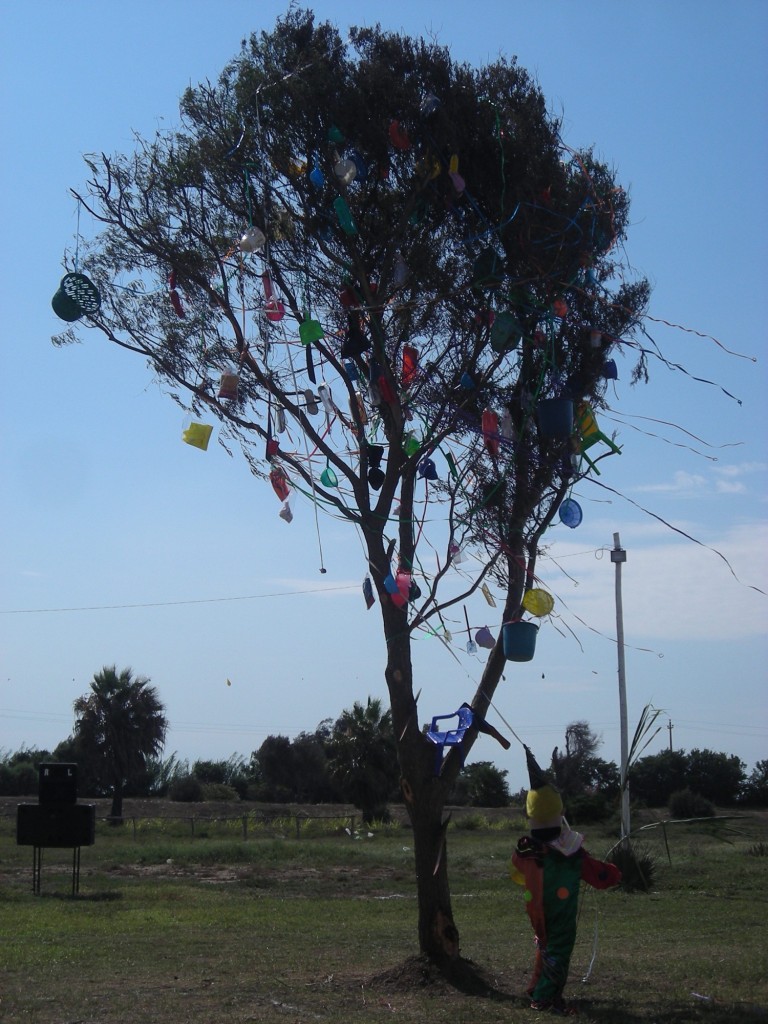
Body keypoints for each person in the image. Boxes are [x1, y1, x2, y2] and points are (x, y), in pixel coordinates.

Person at [511, 746, 621, 1016]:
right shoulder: (571, 853)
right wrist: (615, 873)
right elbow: (597, 873)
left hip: (535, 907)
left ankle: (536, 985)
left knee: (544, 943)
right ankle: (545, 997)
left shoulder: (526, 850)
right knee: (558, 949)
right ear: (559, 811)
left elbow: (517, 873)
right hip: (560, 912)